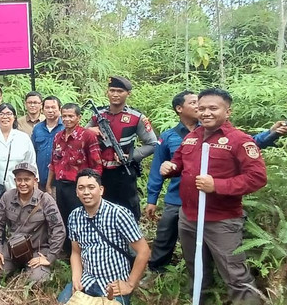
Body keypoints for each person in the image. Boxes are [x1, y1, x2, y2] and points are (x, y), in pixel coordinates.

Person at [160, 88, 267, 305]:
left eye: (213, 108)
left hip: (222, 221)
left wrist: (217, 185)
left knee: (235, 273)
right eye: (201, 108)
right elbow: (179, 163)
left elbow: (257, 177)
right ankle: (200, 299)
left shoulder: (239, 140)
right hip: (188, 216)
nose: (206, 113)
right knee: (195, 266)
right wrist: (170, 167)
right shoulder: (192, 136)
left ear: (228, 112)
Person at [57, 169, 150, 305]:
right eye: (81, 188)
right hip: (87, 280)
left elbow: (144, 251)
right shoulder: (74, 217)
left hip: (113, 284)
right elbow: (76, 252)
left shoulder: (118, 214)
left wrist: (130, 284)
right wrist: (76, 278)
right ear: (76, 192)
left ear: (101, 190)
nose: (86, 192)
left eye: (91, 187)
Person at [87, 76, 157, 221]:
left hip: (124, 173)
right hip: (100, 172)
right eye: (112, 90)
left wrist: (130, 156)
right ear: (107, 92)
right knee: (101, 211)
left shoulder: (136, 117)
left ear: (128, 94)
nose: (115, 94)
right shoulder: (97, 115)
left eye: (120, 91)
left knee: (129, 212)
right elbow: (81, 137)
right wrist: (88, 131)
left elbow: (152, 144)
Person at [144, 91, 199, 273]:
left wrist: (270, 135)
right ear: (179, 108)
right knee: (165, 235)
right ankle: (156, 270)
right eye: (193, 102)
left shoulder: (209, 132)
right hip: (176, 198)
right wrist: (152, 199)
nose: (199, 106)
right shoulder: (169, 137)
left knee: (197, 239)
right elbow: (157, 169)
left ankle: (195, 276)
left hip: (203, 199)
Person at [0, 162, 65, 284]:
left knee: (36, 281)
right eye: (19, 180)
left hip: (37, 250)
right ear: (15, 180)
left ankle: (32, 271)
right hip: (12, 248)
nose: (22, 183)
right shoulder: (7, 197)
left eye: (27, 180)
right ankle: (14, 267)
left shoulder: (45, 200)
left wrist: (50, 257)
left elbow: (58, 229)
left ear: (35, 180)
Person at [45, 103, 103, 256]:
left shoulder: (87, 135)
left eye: (71, 116)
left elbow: (97, 164)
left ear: (79, 117)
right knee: (62, 218)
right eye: (64, 116)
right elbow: (54, 162)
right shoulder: (58, 136)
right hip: (61, 184)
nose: (67, 119)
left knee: (81, 218)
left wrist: (93, 187)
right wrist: (49, 185)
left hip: (78, 186)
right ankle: (67, 252)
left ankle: (85, 251)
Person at [31, 96, 64, 191]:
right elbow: (33, 153)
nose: (50, 110)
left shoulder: (65, 128)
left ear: (59, 109)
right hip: (40, 180)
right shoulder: (37, 128)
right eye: (47, 107)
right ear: (42, 109)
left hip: (59, 182)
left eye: (53, 107)